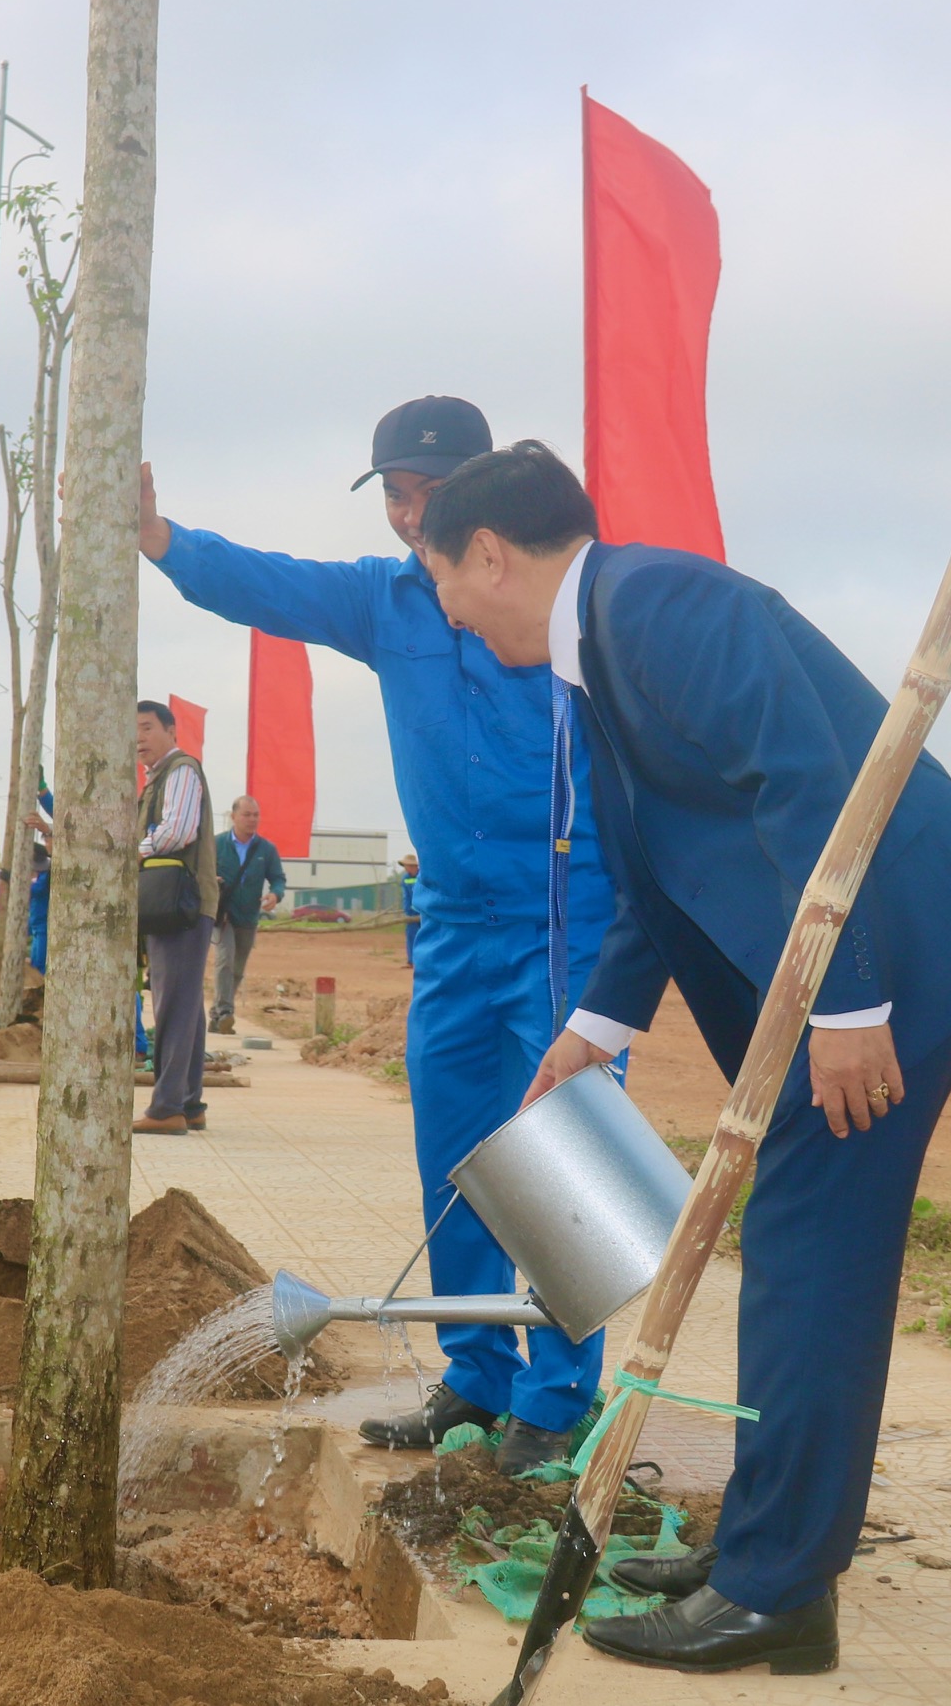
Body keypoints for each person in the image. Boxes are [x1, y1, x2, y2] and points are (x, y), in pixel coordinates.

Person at [418, 442, 951, 1675]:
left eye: (442, 582)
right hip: (845, 973)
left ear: (488, 552)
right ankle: (771, 1547)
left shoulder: (659, 604)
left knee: (812, 1257)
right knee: (805, 1254)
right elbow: (647, 875)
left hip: (892, 958)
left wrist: (849, 1006)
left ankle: (775, 1588)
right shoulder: (597, 649)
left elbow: (811, 781)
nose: (449, 614)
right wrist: (594, 1032)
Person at [139, 395, 619, 1472]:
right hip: (449, 925)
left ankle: (557, 1397)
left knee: (559, 1152)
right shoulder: (388, 602)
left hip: (564, 916)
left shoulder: (547, 596)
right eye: (394, 495)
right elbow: (266, 581)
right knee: (453, 1153)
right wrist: (161, 542)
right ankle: (475, 1374)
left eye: (424, 493)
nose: (408, 516)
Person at [132, 701, 218, 1134]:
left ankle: (166, 1110)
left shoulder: (180, 771)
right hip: (175, 908)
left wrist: (133, 849)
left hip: (180, 907)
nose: (139, 739)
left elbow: (177, 831)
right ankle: (189, 1102)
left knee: (173, 1006)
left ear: (170, 730)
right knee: (186, 1007)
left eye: (146, 728)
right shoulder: (156, 780)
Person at [206, 795, 284, 1035]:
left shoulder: (266, 849)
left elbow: (278, 879)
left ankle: (217, 1016)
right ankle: (226, 1012)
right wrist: (213, 881)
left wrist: (275, 895)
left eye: (255, 815)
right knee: (225, 961)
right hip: (223, 915)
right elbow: (201, 872)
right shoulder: (216, 844)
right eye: (246, 815)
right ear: (233, 817)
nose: (252, 820)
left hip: (248, 917)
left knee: (238, 968)